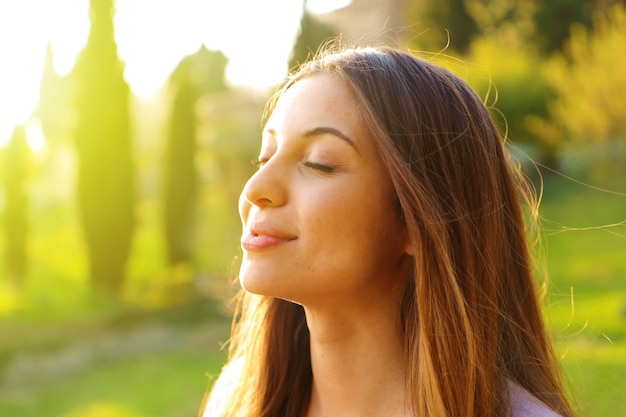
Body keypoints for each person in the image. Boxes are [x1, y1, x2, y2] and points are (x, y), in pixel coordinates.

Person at [201, 44, 576, 417]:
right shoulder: (234, 399)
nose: (255, 189)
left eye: (319, 163)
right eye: (265, 156)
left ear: (418, 221)